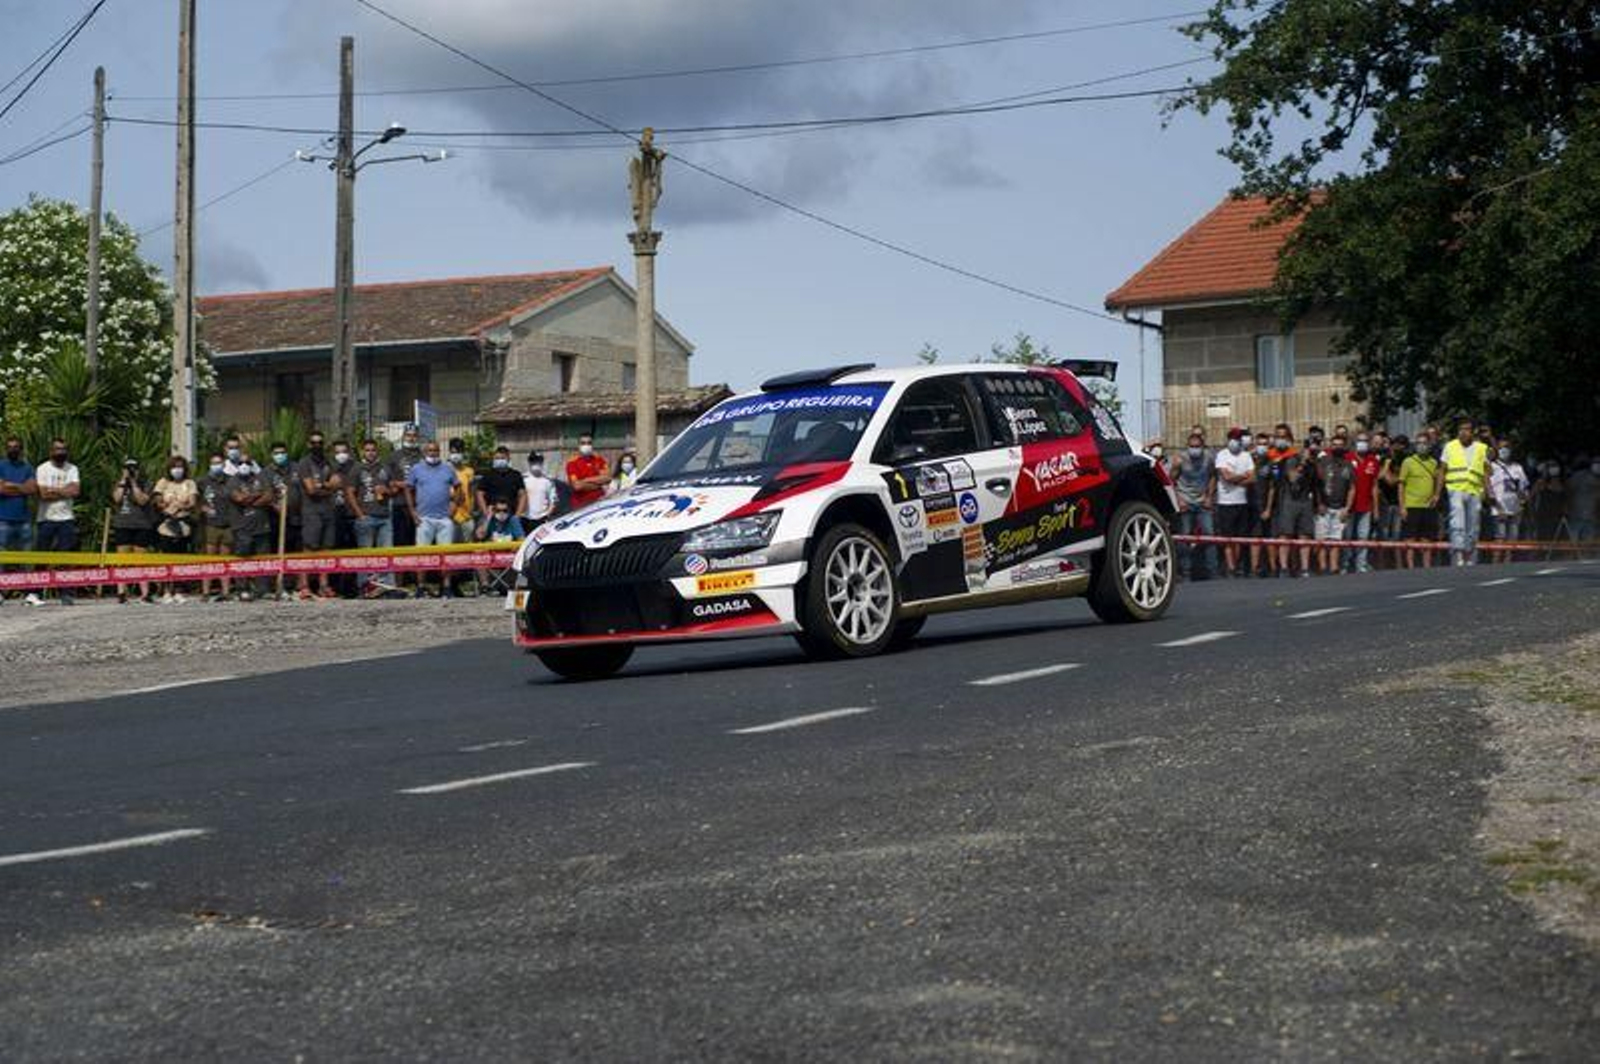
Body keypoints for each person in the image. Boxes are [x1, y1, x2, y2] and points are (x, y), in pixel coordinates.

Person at [406, 440, 466, 597]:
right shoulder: (416, 469)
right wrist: (412, 510)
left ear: (439, 452)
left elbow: (458, 486)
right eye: (430, 450)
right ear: (425, 452)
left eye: (436, 451)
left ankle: (446, 587)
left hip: (444, 519)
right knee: (422, 555)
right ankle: (420, 587)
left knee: (446, 556)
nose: (433, 453)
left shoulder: (448, 469)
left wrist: (454, 505)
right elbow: (408, 488)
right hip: (424, 518)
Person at [296, 431, 344, 599]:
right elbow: (311, 490)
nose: (317, 446)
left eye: (320, 443)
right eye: (313, 442)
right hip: (311, 511)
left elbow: (338, 483)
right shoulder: (304, 463)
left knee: (326, 549)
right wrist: (327, 486)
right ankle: (304, 585)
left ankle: (324, 585)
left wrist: (322, 486)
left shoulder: (330, 461)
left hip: (328, 511)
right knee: (309, 547)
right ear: (309, 444)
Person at [349, 439, 397, 598]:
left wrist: (387, 490)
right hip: (366, 516)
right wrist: (359, 514)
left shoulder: (385, 467)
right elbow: (350, 492)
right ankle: (364, 587)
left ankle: (386, 587)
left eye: (373, 450)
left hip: (384, 517)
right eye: (368, 450)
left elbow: (395, 488)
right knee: (365, 555)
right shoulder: (357, 468)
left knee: (386, 553)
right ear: (363, 451)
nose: (371, 453)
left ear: (377, 451)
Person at [1441, 417, 1489, 566]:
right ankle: (1458, 555)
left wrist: (1487, 491)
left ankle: (1470, 556)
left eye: (1467, 429)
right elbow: (1442, 470)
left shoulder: (1481, 448)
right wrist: (1437, 493)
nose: (1463, 432)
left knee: (1473, 525)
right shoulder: (1450, 446)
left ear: (1473, 431)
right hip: (1455, 489)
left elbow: (1486, 471)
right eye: (1461, 429)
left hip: (1474, 490)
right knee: (1457, 522)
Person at [228, 452, 276, 601]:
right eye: (241, 463)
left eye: (247, 463)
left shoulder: (260, 477)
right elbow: (239, 498)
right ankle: (242, 588)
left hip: (262, 525)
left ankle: (263, 588)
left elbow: (269, 496)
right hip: (242, 526)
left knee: (263, 558)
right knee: (243, 558)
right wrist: (258, 495)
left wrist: (253, 499)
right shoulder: (232, 481)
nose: (244, 466)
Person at [110, 458, 157, 603]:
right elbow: (116, 499)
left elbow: (142, 500)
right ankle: (121, 592)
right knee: (122, 560)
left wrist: (134, 483)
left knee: (141, 560)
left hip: (142, 525)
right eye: (128, 468)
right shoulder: (120, 484)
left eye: (134, 468)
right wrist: (124, 481)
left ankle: (145, 593)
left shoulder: (147, 484)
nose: (131, 471)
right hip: (123, 524)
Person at [152, 456, 198, 603]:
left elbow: (192, 502)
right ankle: (166, 590)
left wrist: (180, 506)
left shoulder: (189, 483)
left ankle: (178, 590)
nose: (177, 470)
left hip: (183, 523)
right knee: (166, 558)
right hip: (166, 524)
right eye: (174, 467)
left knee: (181, 559)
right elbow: (157, 500)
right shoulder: (163, 482)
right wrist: (164, 506)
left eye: (180, 467)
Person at [1171, 431, 1216, 580]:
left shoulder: (1208, 458)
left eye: (1197, 446)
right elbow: (1171, 482)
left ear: (1202, 447)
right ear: (1187, 447)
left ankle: (1212, 571)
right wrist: (1179, 500)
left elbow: (1213, 476)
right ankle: (1186, 570)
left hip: (1202, 501)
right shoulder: (1180, 459)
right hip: (1185, 500)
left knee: (1210, 534)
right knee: (1185, 536)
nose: (1194, 449)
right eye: (1192, 446)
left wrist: (1209, 496)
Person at [1265, 445, 1314, 577]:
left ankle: (1305, 568)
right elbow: (1292, 478)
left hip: (1305, 501)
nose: (1307, 454)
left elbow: (1318, 480)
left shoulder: (1312, 464)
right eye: (1305, 452)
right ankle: (1284, 568)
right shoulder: (1290, 461)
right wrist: (1301, 464)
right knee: (1285, 535)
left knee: (1305, 535)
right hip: (1289, 500)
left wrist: (1309, 463)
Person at [1213, 428, 1255, 578]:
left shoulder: (1246, 456)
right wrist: (1242, 476)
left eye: (1237, 438)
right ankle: (1230, 567)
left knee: (1240, 537)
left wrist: (1235, 478)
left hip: (1241, 502)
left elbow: (1252, 478)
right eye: (1231, 438)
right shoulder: (1221, 455)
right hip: (1225, 502)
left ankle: (1237, 565)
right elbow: (1226, 477)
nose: (1234, 441)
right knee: (1227, 537)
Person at [1397, 435, 1442, 569]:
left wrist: (1436, 495)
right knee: (1410, 539)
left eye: (1424, 443)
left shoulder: (1433, 462)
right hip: (1411, 505)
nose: (1422, 446)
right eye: (1419, 443)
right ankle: (1410, 567)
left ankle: (1426, 567)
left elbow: (1439, 479)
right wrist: (1402, 506)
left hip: (1428, 506)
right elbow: (1401, 485)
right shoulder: (1408, 462)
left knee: (1426, 539)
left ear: (1429, 445)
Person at [1314, 432, 1355, 575]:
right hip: (1324, 507)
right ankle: (1322, 567)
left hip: (1340, 507)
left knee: (1335, 540)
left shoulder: (1348, 464)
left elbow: (1351, 488)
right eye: (1334, 444)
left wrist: (1347, 508)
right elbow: (1317, 485)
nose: (1337, 447)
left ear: (1344, 447)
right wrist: (1319, 503)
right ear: (1330, 446)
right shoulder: (1323, 462)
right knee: (1322, 539)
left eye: (1340, 445)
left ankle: (1333, 567)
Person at [197, 452, 234, 600]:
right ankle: (206, 591)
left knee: (225, 559)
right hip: (210, 525)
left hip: (227, 524)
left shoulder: (230, 480)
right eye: (213, 463)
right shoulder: (202, 481)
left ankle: (225, 592)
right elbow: (195, 500)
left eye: (219, 463)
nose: (216, 466)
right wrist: (202, 508)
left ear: (224, 464)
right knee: (209, 559)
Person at [1345, 431, 1382, 573]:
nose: (1363, 443)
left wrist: (1376, 509)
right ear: (1354, 442)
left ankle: (1361, 564)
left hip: (1366, 505)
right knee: (1347, 536)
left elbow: (1374, 486)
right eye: (1360, 440)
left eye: (1365, 440)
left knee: (1363, 536)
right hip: (1350, 505)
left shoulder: (1373, 460)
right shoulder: (1348, 458)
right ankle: (1346, 564)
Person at [1487, 439, 1529, 561]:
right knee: (1499, 537)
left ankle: (1507, 563)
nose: (1504, 450)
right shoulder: (1492, 467)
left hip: (1515, 508)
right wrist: (1497, 507)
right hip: (1499, 508)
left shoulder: (1517, 467)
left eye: (1506, 447)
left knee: (1513, 539)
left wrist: (1523, 500)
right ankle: (1495, 564)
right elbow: (1488, 488)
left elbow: (1524, 487)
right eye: (1500, 448)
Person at [0, 435, 35, 557]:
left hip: (24, 520)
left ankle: (28, 577)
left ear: (21, 449)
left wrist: (11, 484)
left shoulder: (28, 468)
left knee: (26, 559)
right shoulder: (1, 466)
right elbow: (1, 489)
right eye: (9, 447)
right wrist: (22, 488)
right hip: (3, 520)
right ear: (5, 449)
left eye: (16, 447)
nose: (12, 450)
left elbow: (32, 489)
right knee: (2, 559)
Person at [475, 445, 526, 522]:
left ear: (508, 459)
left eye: (502, 458)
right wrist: (485, 512)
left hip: (511, 515)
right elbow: (479, 494)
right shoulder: (488, 475)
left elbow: (522, 495)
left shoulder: (516, 475)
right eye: (497, 458)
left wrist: (517, 515)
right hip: (491, 515)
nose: (499, 460)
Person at [565, 434, 610, 509]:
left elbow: (607, 478)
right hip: (581, 504)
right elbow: (577, 486)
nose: (586, 445)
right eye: (583, 443)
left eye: (589, 443)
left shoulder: (599, 460)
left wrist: (586, 480)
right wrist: (599, 484)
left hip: (600, 502)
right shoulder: (572, 463)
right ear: (578, 446)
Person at [1529, 459, 1568, 542]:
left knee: (1557, 537)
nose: (1554, 469)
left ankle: (1554, 554)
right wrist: (1544, 476)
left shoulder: (1561, 482)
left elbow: (1561, 492)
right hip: (1543, 516)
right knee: (1543, 537)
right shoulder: (1540, 482)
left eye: (1555, 466)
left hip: (1557, 515)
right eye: (1551, 467)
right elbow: (1531, 496)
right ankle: (1541, 554)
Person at [1567, 455, 1600, 543]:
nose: (1598, 466)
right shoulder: (1579, 476)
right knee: (1572, 544)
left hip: (1592, 519)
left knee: (1588, 544)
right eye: (1596, 463)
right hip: (1576, 516)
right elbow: (1568, 491)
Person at [523, 451, 560, 527]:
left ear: (542, 462)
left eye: (538, 460)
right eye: (533, 461)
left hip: (542, 519)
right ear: (529, 462)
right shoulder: (522, 479)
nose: (535, 463)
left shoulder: (548, 481)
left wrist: (547, 516)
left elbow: (553, 501)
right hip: (525, 519)